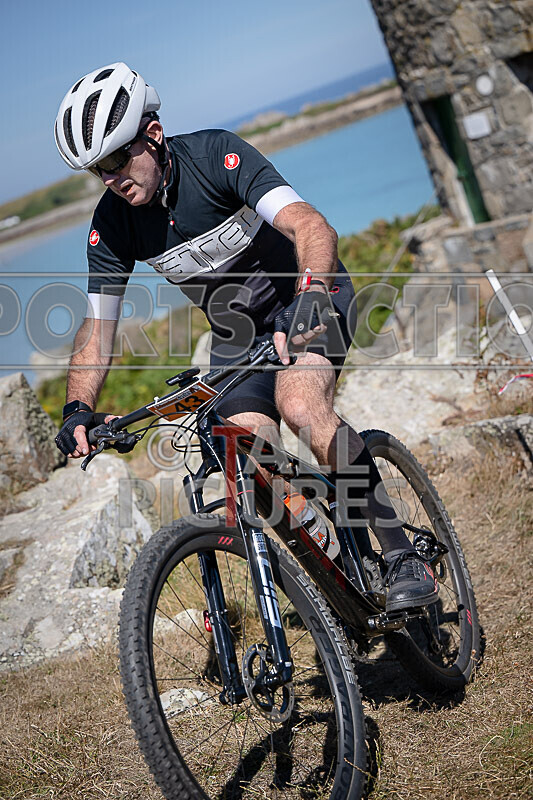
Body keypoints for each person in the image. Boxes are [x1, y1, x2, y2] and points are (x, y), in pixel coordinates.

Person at [54, 62, 438, 612]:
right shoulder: (113, 221)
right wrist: (77, 408)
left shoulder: (216, 156)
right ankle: (328, 565)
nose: (112, 178)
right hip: (238, 337)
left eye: (117, 158)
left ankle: (402, 553)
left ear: (153, 135)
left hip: (309, 298)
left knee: (301, 405)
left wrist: (307, 297)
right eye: (98, 170)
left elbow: (312, 226)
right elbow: (97, 327)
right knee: (243, 444)